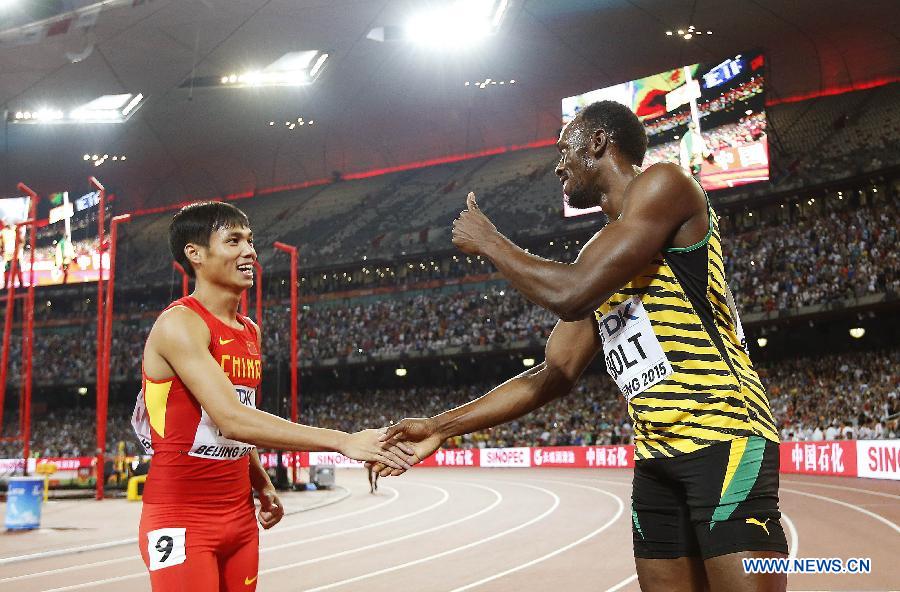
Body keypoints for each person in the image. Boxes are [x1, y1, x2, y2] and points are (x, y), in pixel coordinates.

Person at [380, 101, 788, 592]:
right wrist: (441, 427)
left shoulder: (664, 184)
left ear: (597, 143)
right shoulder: (599, 256)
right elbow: (552, 374)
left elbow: (569, 295)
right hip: (657, 459)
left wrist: (490, 241)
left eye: (563, 150)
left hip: (723, 438)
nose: (557, 166)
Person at [133, 202, 413, 591]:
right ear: (194, 254)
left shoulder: (249, 331)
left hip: (239, 517)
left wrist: (261, 483)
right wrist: (343, 441)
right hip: (181, 517)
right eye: (233, 241)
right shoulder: (180, 324)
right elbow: (232, 418)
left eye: (250, 241)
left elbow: (237, 421)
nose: (249, 251)